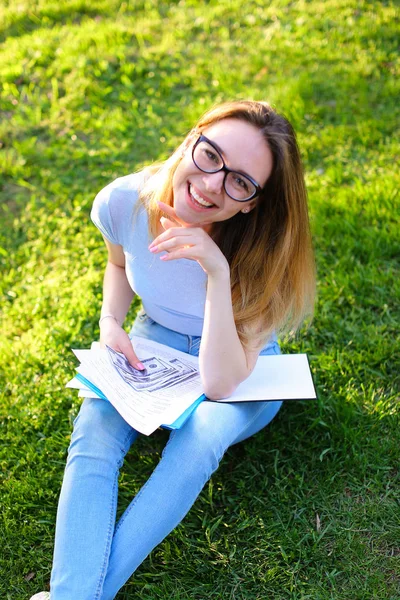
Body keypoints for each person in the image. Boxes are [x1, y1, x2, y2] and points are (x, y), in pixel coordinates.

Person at [30, 100, 315, 600]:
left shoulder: (263, 250)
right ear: (191, 139)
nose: (211, 185)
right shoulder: (122, 202)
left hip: (240, 366)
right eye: (210, 156)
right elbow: (119, 268)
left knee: (200, 437)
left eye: (240, 183)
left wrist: (217, 271)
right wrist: (110, 322)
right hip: (154, 339)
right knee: (93, 428)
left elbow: (222, 383)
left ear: (252, 201)